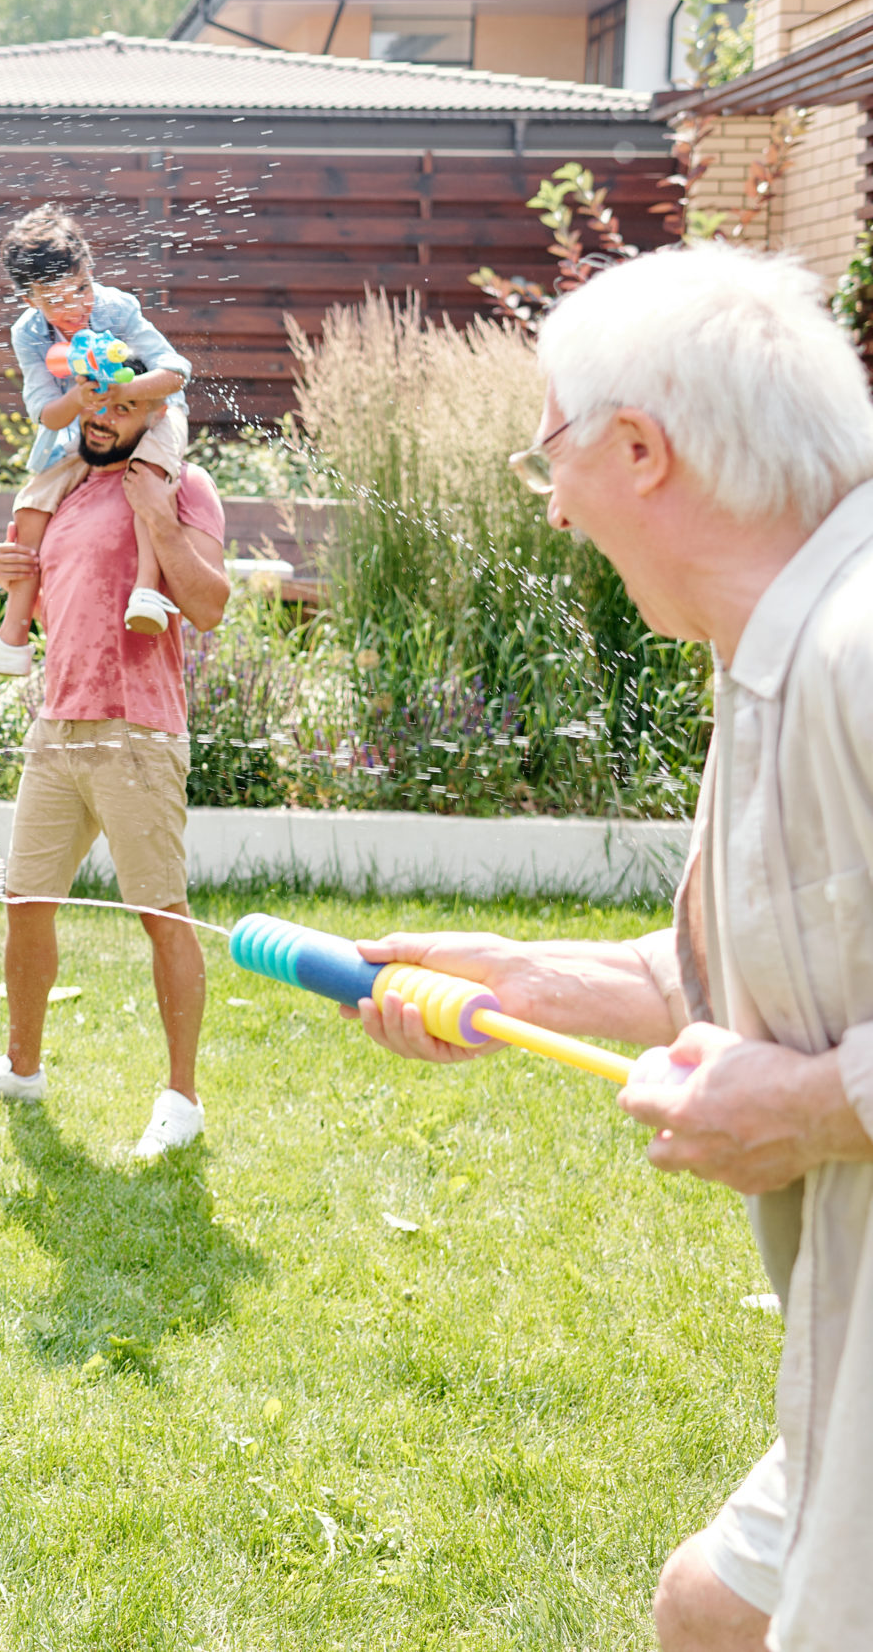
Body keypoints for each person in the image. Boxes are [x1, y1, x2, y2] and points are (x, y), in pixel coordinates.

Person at [341, 244, 873, 1652]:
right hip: (844, 1340)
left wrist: (815, 1103)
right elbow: (772, 962)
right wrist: (521, 978)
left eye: (551, 455)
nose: (557, 507)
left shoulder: (862, 644)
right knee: (709, 1607)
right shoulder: (774, 644)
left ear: (640, 447)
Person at [0, 381, 231, 1159]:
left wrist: (161, 525)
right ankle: (21, 1066)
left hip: (137, 732)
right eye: (95, 405)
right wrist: (12, 571)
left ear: (153, 414)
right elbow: (66, 598)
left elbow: (209, 605)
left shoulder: (180, 485)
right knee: (25, 899)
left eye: (122, 407)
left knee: (163, 911)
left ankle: (182, 1098)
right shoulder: (65, 486)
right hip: (56, 725)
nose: (102, 418)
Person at [0, 206, 193, 677]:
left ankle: (147, 591)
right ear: (29, 300)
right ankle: (12, 639)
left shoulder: (117, 308)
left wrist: (125, 390)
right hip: (88, 432)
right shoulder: (29, 335)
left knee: (149, 477)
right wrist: (79, 396)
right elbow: (46, 414)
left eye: (82, 288)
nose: (75, 307)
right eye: (55, 300)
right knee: (32, 501)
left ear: (91, 271)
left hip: (150, 418)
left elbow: (176, 374)